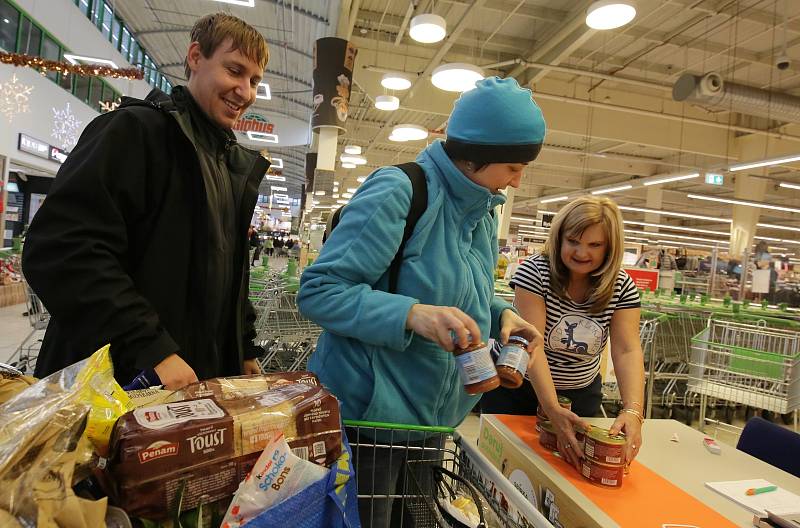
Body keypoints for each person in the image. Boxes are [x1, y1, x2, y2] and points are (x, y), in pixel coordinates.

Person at [298, 77, 546, 527]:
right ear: (476, 155)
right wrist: (411, 315)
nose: (518, 179)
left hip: (432, 423)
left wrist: (500, 313)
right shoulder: (401, 191)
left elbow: (463, 294)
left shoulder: (483, 213)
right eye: (512, 165)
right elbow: (321, 290)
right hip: (368, 421)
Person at [22, 13, 270, 389]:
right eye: (234, 71)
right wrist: (151, 348)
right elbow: (63, 249)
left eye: (254, 81)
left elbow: (226, 275)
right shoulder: (134, 133)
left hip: (187, 389)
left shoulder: (225, 163)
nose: (246, 91)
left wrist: (243, 347)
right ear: (195, 57)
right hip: (116, 386)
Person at [480, 196, 645, 469]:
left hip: (580, 392)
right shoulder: (535, 272)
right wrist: (552, 408)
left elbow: (627, 349)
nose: (581, 252)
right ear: (559, 239)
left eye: (594, 245)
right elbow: (534, 345)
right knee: (505, 467)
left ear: (610, 248)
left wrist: (633, 411)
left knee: (570, 469)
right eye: (573, 241)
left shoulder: (621, 286)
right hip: (518, 387)